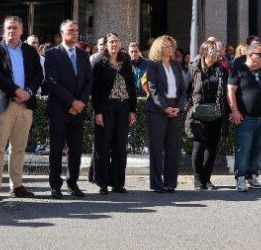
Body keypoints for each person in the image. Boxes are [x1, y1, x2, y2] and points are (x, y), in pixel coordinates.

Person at [0, 16, 44, 201]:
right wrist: (16, 90)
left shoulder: (30, 51)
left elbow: (38, 74)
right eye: (8, 28)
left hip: (25, 105)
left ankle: (16, 186)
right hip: (4, 104)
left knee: (19, 147)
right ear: (4, 31)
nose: (11, 31)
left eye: (15, 28)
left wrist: (28, 91)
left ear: (22, 31)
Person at [43, 20, 92, 199]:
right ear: (62, 33)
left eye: (77, 30)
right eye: (71, 30)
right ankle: (55, 185)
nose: (75, 33)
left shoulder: (83, 54)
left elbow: (88, 81)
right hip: (59, 109)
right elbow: (52, 82)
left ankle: (73, 183)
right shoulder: (53, 54)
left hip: (78, 111)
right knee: (56, 149)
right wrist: (72, 102)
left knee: (76, 149)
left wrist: (81, 103)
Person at [91, 33, 137, 194]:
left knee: (120, 147)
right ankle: (102, 183)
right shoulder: (99, 63)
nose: (114, 44)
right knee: (103, 146)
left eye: (116, 41)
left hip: (123, 107)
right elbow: (95, 91)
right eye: (111, 42)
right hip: (106, 107)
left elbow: (132, 87)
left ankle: (118, 183)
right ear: (105, 45)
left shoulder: (125, 62)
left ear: (120, 43)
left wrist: (132, 110)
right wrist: (97, 111)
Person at [227, 42, 261, 192]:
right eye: (259, 54)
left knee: (258, 148)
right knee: (244, 148)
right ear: (250, 54)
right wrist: (234, 111)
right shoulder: (239, 69)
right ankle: (240, 177)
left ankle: (252, 175)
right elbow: (230, 91)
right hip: (246, 118)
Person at [143, 35, 188, 193]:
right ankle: (156, 183)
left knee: (173, 148)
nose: (171, 49)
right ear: (159, 48)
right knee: (156, 148)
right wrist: (164, 108)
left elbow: (183, 90)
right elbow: (153, 89)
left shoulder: (176, 65)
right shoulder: (152, 65)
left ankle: (171, 183)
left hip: (175, 108)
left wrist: (179, 107)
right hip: (157, 110)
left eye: (171, 46)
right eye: (167, 46)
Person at [186, 41, 226, 190]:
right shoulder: (193, 69)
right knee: (198, 146)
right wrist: (189, 108)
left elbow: (225, 92)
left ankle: (207, 178)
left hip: (215, 113)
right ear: (204, 53)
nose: (216, 55)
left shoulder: (221, 69)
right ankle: (197, 179)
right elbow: (185, 91)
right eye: (212, 52)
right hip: (197, 114)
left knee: (212, 147)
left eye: (217, 52)